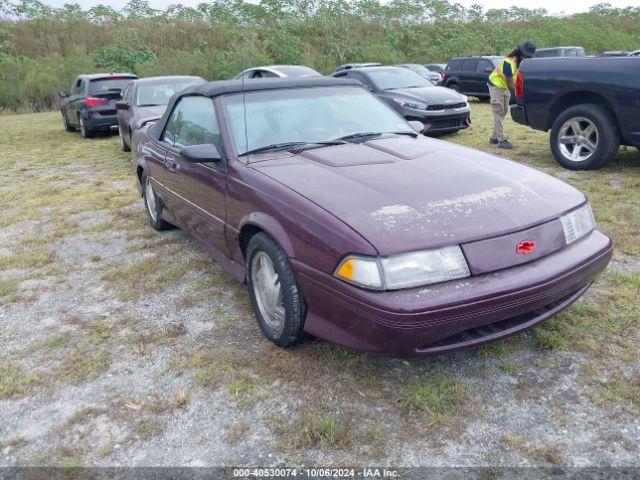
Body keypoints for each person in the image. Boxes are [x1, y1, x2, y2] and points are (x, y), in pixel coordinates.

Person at [488, 41, 536, 149]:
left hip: (503, 86)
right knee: (498, 111)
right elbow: (510, 83)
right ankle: (501, 140)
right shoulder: (508, 62)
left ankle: (494, 137)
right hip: (495, 85)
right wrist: (520, 95)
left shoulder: (519, 61)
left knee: (504, 111)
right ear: (522, 53)